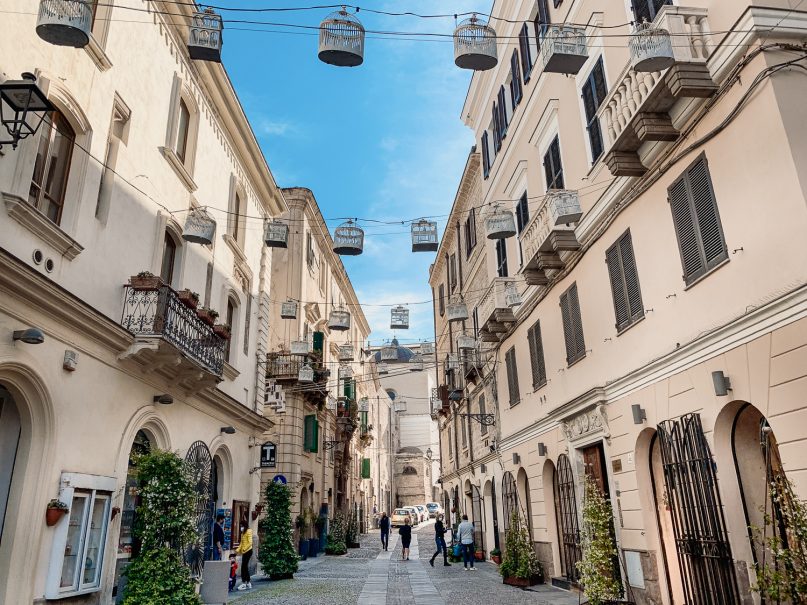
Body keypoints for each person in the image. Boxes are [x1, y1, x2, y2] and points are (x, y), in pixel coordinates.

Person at [235, 523, 253, 590]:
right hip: (244, 551)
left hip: (248, 551)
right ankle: (247, 582)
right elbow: (241, 543)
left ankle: (244, 583)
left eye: (242, 526)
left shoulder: (249, 531)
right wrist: (237, 550)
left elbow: (250, 542)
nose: (241, 527)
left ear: (245, 526)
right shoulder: (243, 533)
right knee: (244, 567)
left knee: (243, 567)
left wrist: (244, 549)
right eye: (240, 526)